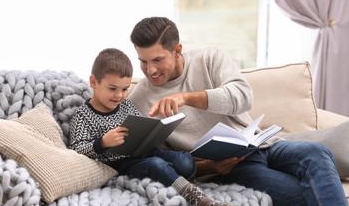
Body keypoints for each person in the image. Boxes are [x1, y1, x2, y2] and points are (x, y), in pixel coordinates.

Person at [128, 17, 348, 206]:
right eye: (143, 62)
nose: (151, 70)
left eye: (157, 60)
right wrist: (208, 167)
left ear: (177, 50)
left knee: (317, 152)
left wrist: (186, 98)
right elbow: (159, 159)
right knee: (309, 195)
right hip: (231, 168)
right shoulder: (139, 99)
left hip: (262, 145)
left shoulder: (210, 58)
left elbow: (243, 97)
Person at [69, 48, 238, 206]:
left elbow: (139, 127)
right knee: (156, 165)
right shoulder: (83, 116)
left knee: (184, 161)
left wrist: (154, 132)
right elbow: (76, 151)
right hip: (119, 164)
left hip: (142, 152)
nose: (119, 95)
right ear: (93, 82)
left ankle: (177, 177)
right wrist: (103, 143)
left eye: (125, 89)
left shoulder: (125, 105)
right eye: (112, 89)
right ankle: (198, 199)